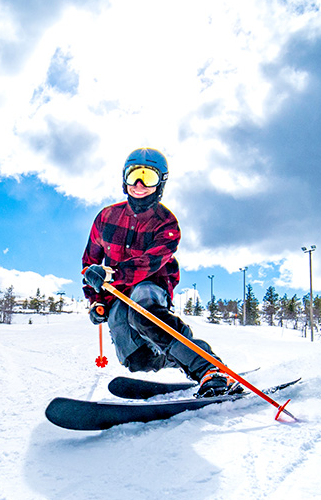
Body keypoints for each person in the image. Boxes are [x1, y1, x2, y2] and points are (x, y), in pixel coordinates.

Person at [82, 148, 241, 398]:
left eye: (148, 177)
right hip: (117, 293)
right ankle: (182, 355)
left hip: (151, 282)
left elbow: (150, 262)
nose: (139, 184)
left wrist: (112, 273)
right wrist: (96, 301)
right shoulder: (106, 217)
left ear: (161, 183)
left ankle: (208, 368)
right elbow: (90, 263)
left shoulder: (166, 222)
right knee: (136, 359)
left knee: (143, 312)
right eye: (134, 175)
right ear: (123, 178)